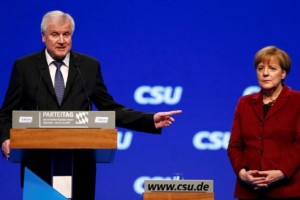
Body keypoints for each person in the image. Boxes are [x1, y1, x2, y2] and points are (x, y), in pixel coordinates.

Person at [0, 10, 182, 200]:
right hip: (38, 166)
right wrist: (5, 138)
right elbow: (6, 113)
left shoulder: (88, 66)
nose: (61, 40)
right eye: (55, 34)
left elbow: (109, 109)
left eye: (66, 34)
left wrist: (149, 119)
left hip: (80, 167)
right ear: (43, 37)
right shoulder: (25, 67)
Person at [227, 46, 300, 199]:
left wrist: (282, 173)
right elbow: (234, 145)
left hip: (287, 189)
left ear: (283, 73)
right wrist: (242, 173)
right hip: (249, 191)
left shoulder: (296, 101)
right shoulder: (245, 102)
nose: (265, 73)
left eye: (272, 68)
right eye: (260, 68)